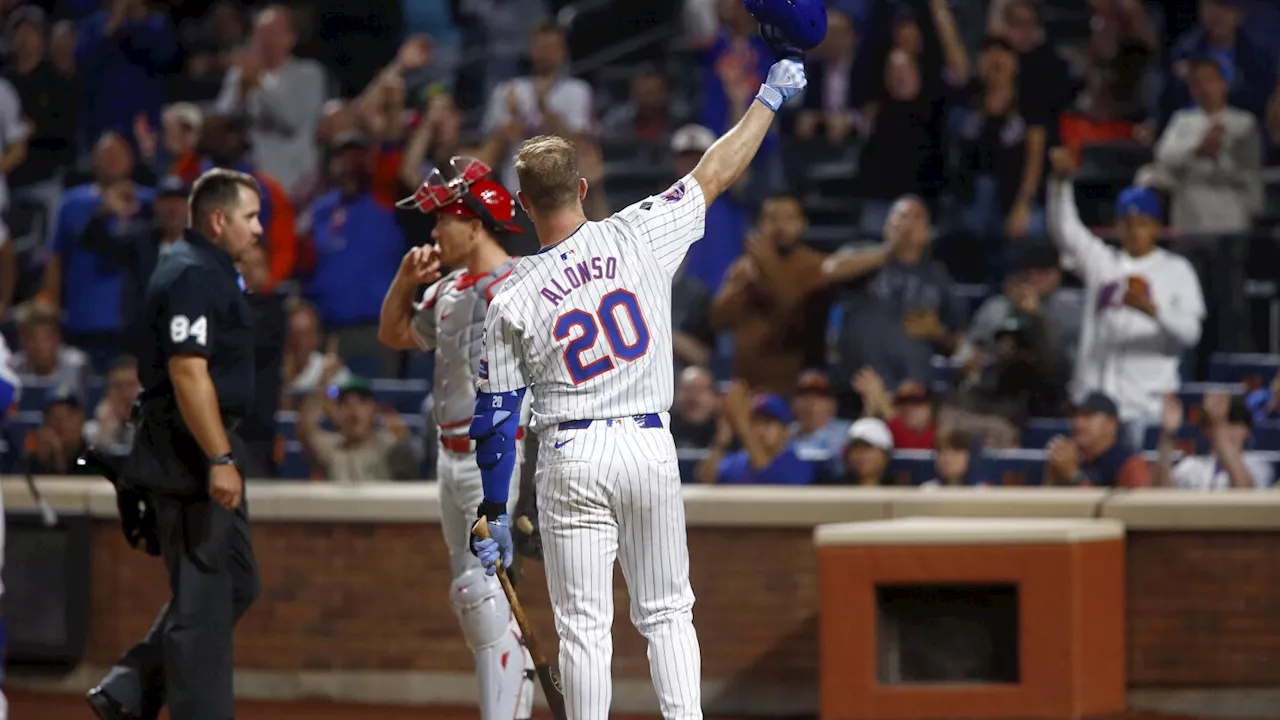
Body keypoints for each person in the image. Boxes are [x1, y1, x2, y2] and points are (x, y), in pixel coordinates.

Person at [466, 55, 806, 719]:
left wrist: (494, 506)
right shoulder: (640, 230)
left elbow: (497, 415)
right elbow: (715, 172)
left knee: (585, 631)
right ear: (585, 187)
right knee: (668, 613)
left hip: (570, 453)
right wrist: (767, 97)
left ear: (523, 203)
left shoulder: (512, 295)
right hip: (649, 443)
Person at [86, 168, 263, 720]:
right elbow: (188, 372)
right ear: (218, 220)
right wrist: (219, 457)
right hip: (187, 454)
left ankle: (131, 686)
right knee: (203, 607)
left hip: (198, 446)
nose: (258, 230)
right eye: (250, 217)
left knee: (235, 581)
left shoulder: (206, 268)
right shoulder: (191, 273)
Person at [376, 157, 535, 719]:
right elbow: (393, 333)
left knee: (483, 593)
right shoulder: (446, 289)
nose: (435, 232)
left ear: (476, 224)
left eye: (445, 220)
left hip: (497, 457)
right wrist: (403, 281)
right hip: (449, 459)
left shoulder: (521, 282)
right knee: (479, 601)